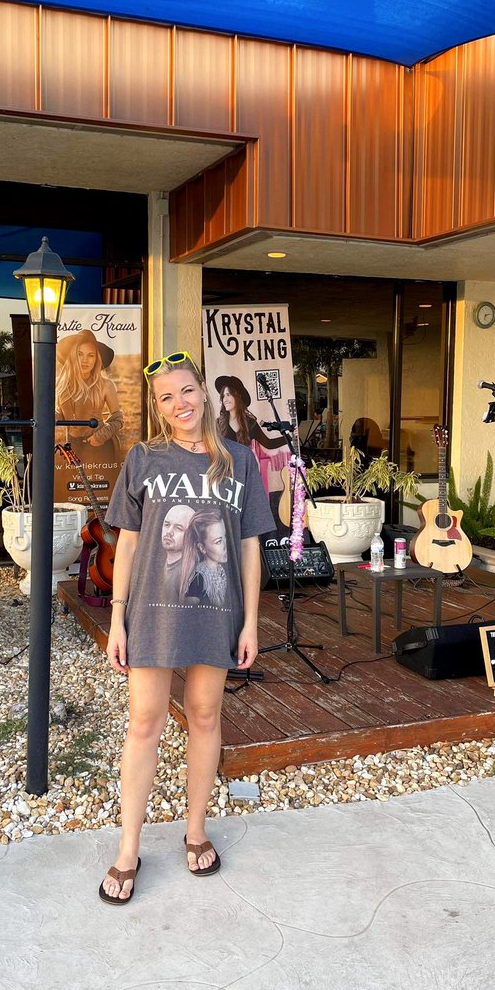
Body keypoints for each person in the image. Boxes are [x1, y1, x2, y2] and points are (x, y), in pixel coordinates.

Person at [99, 351, 274, 904]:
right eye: (166, 397)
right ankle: (129, 849)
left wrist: (250, 620)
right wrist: (117, 616)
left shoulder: (240, 461)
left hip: (215, 611)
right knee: (144, 724)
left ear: (205, 391)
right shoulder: (144, 458)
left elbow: (248, 547)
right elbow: (127, 541)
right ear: (156, 407)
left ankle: (195, 830)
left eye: (187, 390)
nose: (180, 404)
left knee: (204, 715)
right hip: (151, 611)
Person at [215, 374, 290, 528]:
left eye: (229, 394)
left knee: (246, 515)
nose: (225, 399)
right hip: (225, 474)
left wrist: (288, 437)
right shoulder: (218, 423)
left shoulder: (251, 423)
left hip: (245, 474)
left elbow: (268, 443)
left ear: (237, 397)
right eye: (223, 396)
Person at [55, 329, 124, 463]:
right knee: (72, 483)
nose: (85, 360)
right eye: (80, 354)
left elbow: (118, 419)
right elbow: (62, 413)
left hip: (100, 446)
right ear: (73, 356)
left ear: (96, 359)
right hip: (72, 446)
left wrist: (101, 436)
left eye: (91, 355)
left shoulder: (106, 385)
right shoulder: (61, 384)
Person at [180, 510, 228, 606]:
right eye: (218, 541)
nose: (225, 545)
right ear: (202, 548)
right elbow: (187, 614)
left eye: (225, 537)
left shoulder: (221, 571)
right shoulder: (198, 579)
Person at [160, 503, 196, 602]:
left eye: (178, 528)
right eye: (167, 525)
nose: (169, 532)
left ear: (191, 535)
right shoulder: (156, 566)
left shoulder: (193, 575)